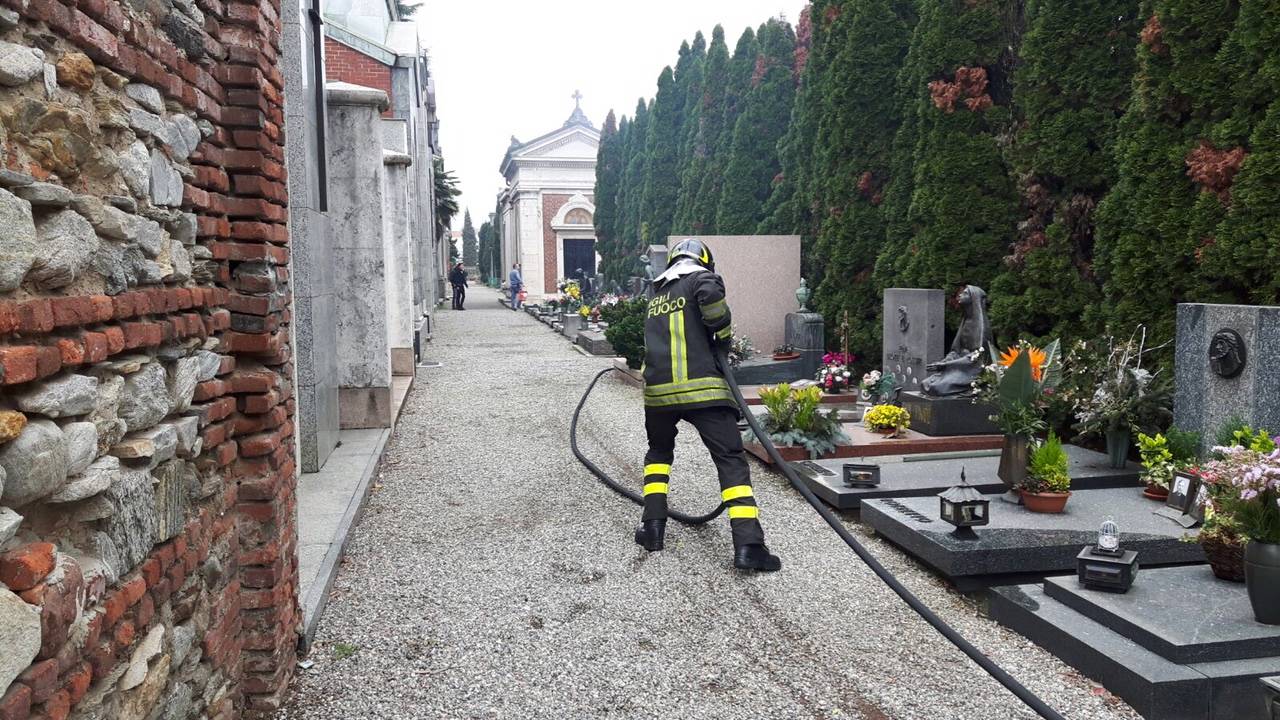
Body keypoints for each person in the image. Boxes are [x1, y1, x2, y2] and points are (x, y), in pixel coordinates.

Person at [634, 238, 781, 572]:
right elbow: (714, 310)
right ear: (703, 261)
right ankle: (749, 545)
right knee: (730, 461)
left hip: (658, 396)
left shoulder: (656, 294)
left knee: (658, 457)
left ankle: (652, 529)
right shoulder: (701, 278)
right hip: (703, 392)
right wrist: (723, 337)